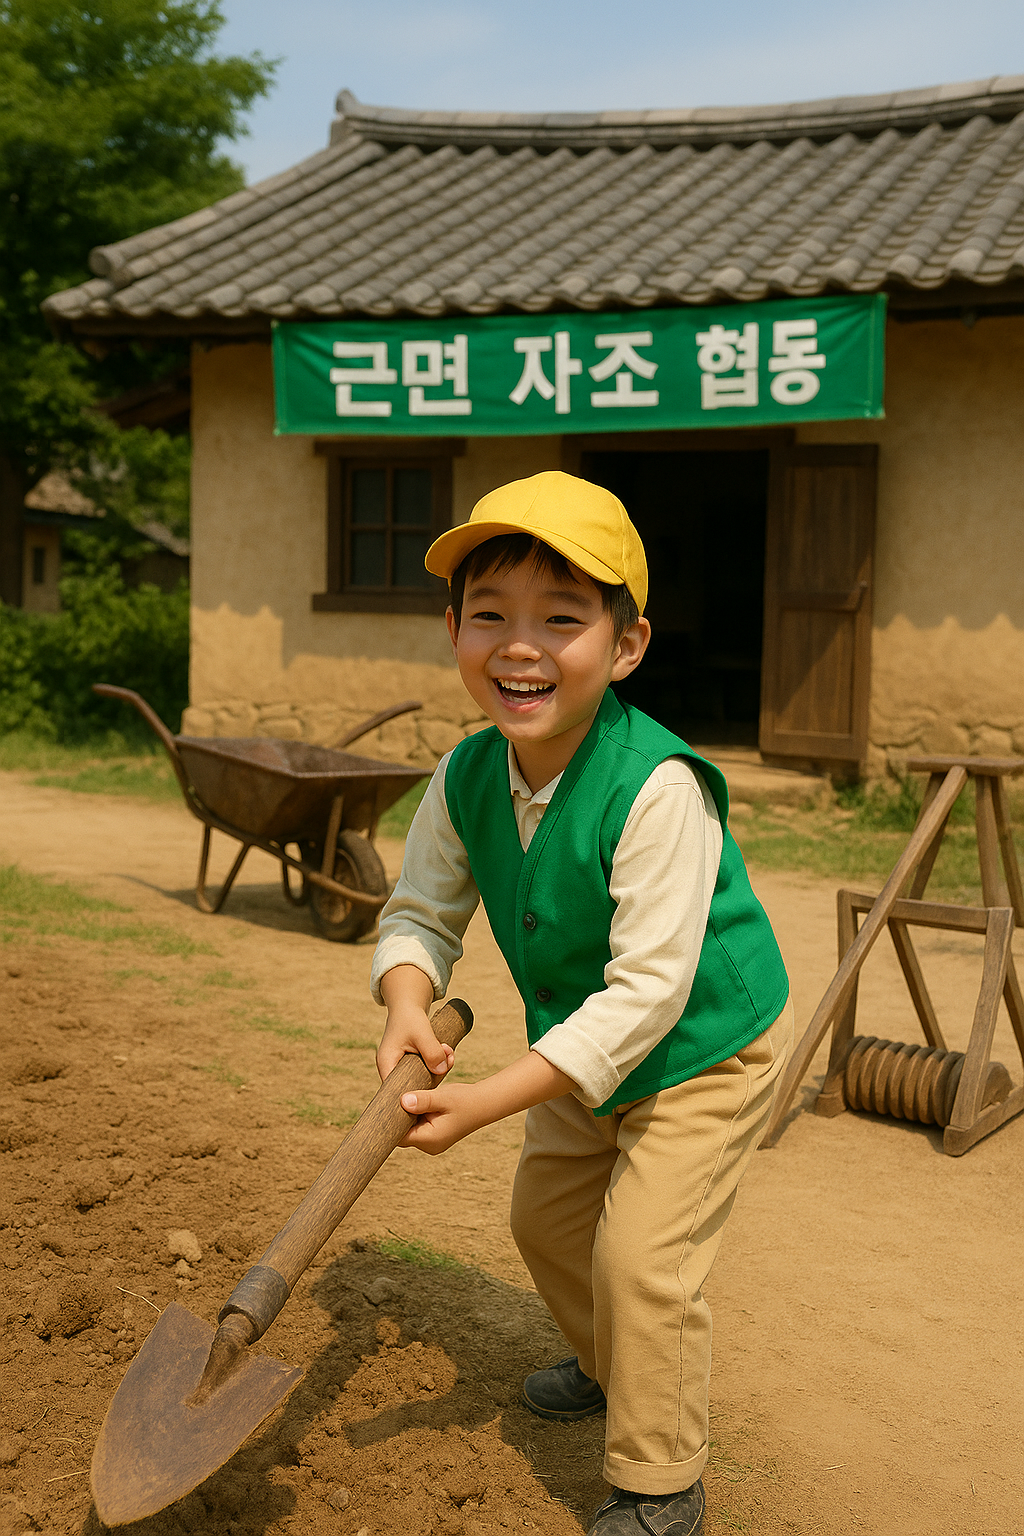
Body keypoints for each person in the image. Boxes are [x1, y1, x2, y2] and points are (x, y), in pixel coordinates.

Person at [370, 470, 792, 1536]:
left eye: (561, 619)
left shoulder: (659, 788)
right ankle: (614, 1365)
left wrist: (484, 1101)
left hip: (701, 1049)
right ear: (453, 631)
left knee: (641, 1261)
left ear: (626, 645)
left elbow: (649, 994)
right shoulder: (466, 775)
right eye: (489, 616)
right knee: (547, 1222)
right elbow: (420, 911)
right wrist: (407, 1000)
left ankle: (660, 1483)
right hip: (581, 1046)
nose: (520, 647)